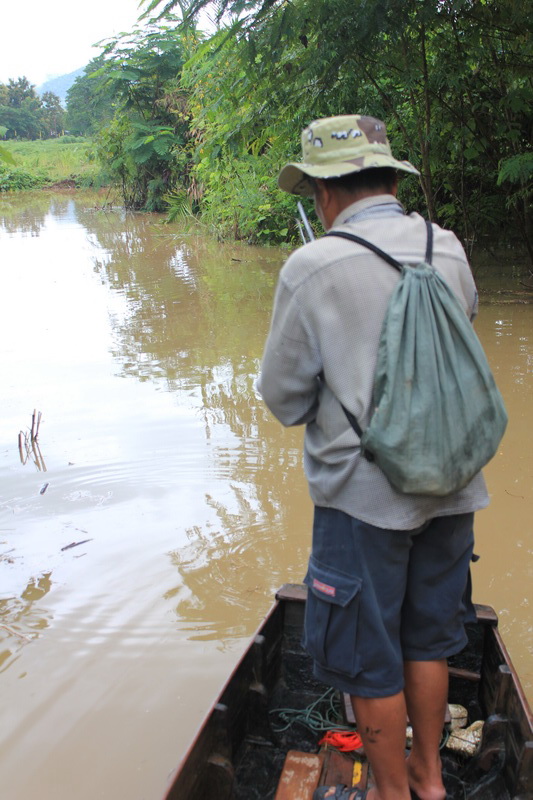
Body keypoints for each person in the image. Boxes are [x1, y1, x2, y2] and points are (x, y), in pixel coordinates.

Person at [257, 115, 490, 800]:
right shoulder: (444, 247)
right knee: (427, 641)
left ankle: (390, 793)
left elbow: (284, 399)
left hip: (361, 500)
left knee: (368, 660)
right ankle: (429, 780)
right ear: (389, 178)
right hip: (451, 487)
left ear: (326, 192)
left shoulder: (311, 266)